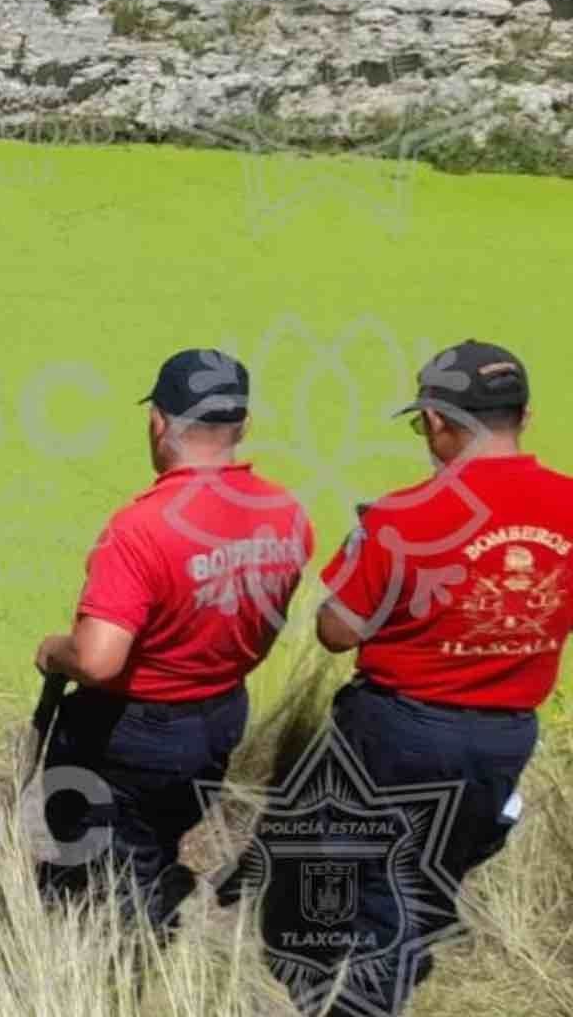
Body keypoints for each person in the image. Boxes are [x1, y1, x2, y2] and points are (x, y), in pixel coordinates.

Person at [300, 340, 573, 1014]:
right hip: (508, 735)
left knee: (375, 890)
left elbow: (338, 632)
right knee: (431, 873)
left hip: (400, 735)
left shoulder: (400, 518)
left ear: (437, 420)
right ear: (526, 416)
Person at [32, 349, 314, 932]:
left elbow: (99, 658)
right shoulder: (287, 515)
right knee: (158, 835)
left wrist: (53, 650)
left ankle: (120, 958)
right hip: (221, 715)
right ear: (243, 425)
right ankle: (142, 892)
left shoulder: (144, 527)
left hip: (134, 730)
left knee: (110, 860)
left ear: (158, 421)